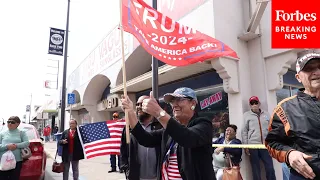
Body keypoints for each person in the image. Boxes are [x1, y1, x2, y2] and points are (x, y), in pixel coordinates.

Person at [121, 87, 215, 180]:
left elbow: (187, 138)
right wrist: (130, 112)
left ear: (193, 103)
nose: (174, 104)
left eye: (179, 100)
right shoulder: (169, 131)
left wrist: (158, 112)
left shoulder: (203, 124)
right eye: (172, 101)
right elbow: (145, 139)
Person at [265, 51, 320, 179]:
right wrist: (289, 154)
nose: (316, 72)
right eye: (309, 69)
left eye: (319, 67)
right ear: (298, 77)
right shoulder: (284, 108)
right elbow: (271, 142)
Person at [120, 95, 163, 180]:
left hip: (157, 176)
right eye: (137, 104)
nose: (138, 107)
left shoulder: (161, 126)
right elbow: (123, 149)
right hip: (136, 176)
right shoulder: (129, 128)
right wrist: (126, 168)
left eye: (142, 104)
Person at [241, 96, 276, 180]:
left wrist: (272, 142)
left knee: (269, 167)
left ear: (259, 103)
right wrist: (246, 146)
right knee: (255, 168)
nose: (254, 105)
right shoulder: (246, 115)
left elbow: (271, 129)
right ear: (250, 105)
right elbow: (244, 131)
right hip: (253, 146)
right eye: (252, 103)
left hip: (265, 145)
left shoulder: (266, 114)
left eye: (256, 103)